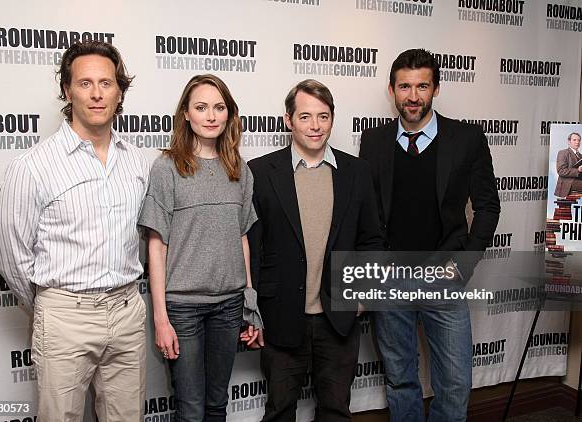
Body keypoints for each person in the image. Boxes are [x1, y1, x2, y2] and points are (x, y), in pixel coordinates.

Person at [0, 40, 149, 421]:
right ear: (67, 90)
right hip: (65, 316)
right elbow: (12, 255)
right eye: (84, 83)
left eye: (106, 83)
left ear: (120, 90)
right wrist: (51, 307)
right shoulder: (32, 166)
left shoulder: (138, 162)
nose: (96, 93)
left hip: (128, 312)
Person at [359, 48, 500, 422]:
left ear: (436, 89)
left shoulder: (466, 138)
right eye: (405, 86)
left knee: (454, 383)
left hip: (444, 276)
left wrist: (465, 264)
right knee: (400, 380)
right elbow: (367, 214)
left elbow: (488, 206)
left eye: (422, 86)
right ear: (391, 90)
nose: (413, 96)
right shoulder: (372, 142)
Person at [248, 79, 384, 421]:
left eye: (323, 116)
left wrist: (362, 296)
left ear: (332, 119)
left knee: (336, 410)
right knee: (279, 410)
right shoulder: (261, 172)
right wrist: (253, 309)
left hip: (339, 318)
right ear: (288, 120)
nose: (315, 126)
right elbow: (253, 245)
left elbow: (371, 239)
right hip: (280, 315)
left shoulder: (357, 172)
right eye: (305, 116)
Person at [138, 74, 262, 422]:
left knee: (216, 404)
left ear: (229, 114)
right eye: (201, 107)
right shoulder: (167, 168)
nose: (211, 116)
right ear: (186, 115)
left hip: (228, 305)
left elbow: (242, 239)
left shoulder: (239, 168)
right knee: (191, 411)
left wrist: (249, 302)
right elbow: (156, 245)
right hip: (183, 309)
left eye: (219, 107)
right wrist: (161, 318)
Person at [554, 132, 582, 197]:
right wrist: (578, 170)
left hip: (578, 180)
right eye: (574, 140)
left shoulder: (580, 155)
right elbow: (561, 171)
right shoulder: (563, 153)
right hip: (567, 183)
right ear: (569, 142)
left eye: (579, 140)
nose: (577, 142)